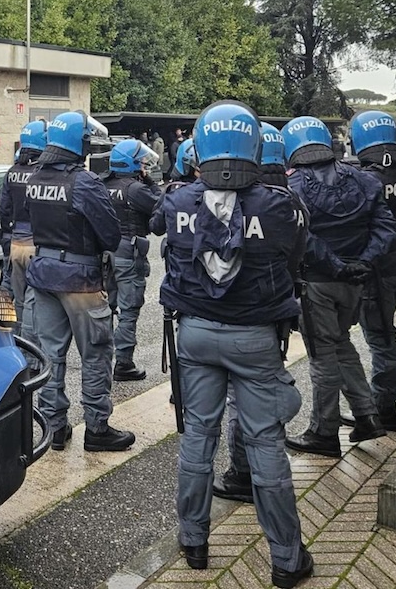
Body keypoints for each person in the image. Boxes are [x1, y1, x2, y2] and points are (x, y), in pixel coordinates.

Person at [160, 100, 313, 588]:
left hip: (196, 334)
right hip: (254, 338)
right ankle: (287, 560)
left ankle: (195, 542)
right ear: (254, 144)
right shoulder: (282, 205)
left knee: (198, 438)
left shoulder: (179, 201)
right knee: (265, 442)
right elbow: (297, 258)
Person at [283, 116, 396, 459]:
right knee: (342, 344)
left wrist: (336, 266)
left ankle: (324, 430)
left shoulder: (294, 188)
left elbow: (303, 238)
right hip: (356, 282)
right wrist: (363, 263)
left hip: (317, 283)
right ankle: (367, 414)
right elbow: (386, 227)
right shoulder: (363, 179)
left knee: (322, 357)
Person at [23, 111, 133, 452]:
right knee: (96, 354)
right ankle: (97, 428)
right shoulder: (83, 182)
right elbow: (111, 235)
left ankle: (54, 427)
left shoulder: (35, 178)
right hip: (81, 282)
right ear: (79, 143)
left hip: (42, 276)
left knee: (50, 354)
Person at [212, 120, 294, 505]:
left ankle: (237, 477)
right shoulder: (285, 204)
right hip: (261, 323)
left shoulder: (189, 199)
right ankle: (285, 551)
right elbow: (296, 256)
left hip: (207, 324)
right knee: (262, 421)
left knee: (206, 424)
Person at [348, 111, 396, 432]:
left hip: (378, 267)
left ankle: (385, 409)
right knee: (383, 333)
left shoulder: (365, 179)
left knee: (380, 338)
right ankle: (384, 403)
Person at [103, 139, 162, 380]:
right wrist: (149, 181)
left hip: (105, 254)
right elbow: (160, 206)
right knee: (128, 310)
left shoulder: (101, 184)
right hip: (130, 252)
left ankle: (102, 358)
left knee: (106, 308)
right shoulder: (136, 189)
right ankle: (124, 363)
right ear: (132, 164)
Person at [0, 120, 46, 338]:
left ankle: (15, 342)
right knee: (32, 300)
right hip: (35, 244)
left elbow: (4, 209)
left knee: (17, 299)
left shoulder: (11, 172)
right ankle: (31, 351)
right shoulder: (43, 174)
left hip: (15, 243)